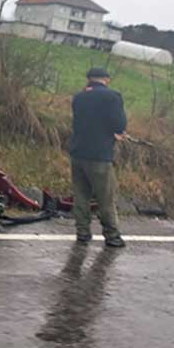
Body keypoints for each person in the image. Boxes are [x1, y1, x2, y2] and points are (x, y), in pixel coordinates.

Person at [69, 67, 127, 247]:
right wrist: (117, 133)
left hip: (78, 153)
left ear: (89, 79)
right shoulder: (112, 97)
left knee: (81, 195)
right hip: (100, 155)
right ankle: (112, 236)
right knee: (105, 197)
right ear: (107, 79)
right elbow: (119, 124)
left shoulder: (78, 98)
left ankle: (82, 232)